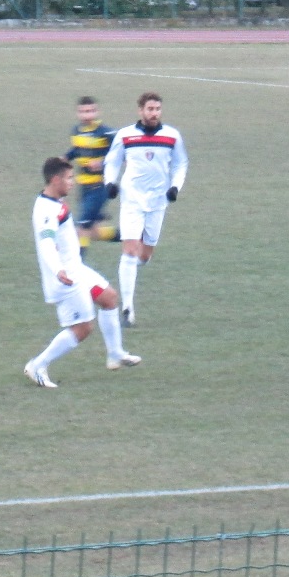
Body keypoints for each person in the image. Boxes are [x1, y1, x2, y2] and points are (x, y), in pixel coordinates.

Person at [23, 157, 141, 387]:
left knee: (109, 297)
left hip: (76, 269)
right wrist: (59, 270)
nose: (73, 182)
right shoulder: (47, 211)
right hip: (67, 277)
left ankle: (115, 353)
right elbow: (47, 243)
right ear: (55, 179)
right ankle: (37, 365)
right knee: (83, 328)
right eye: (69, 178)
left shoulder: (54, 201)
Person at [101, 92, 188, 327]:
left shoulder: (172, 136)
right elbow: (112, 161)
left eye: (157, 109)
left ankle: (128, 269)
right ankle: (127, 309)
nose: (154, 113)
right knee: (130, 250)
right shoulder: (126, 135)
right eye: (150, 109)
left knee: (144, 255)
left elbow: (180, 163)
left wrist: (175, 187)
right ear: (140, 110)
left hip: (158, 201)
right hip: (132, 199)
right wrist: (110, 183)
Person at [67, 96, 119, 255]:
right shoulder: (76, 131)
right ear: (77, 113)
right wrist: (65, 158)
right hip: (83, 187)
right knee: (93, 232)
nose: (87, 115)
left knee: (82, 228)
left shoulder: (106, 133)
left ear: (97, 112)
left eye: (90, 111)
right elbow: (77, 150)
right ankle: (133, 236)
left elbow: (120, 153)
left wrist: (102, 162)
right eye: (83, 112)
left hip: (99, 187)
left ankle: (78, 263)